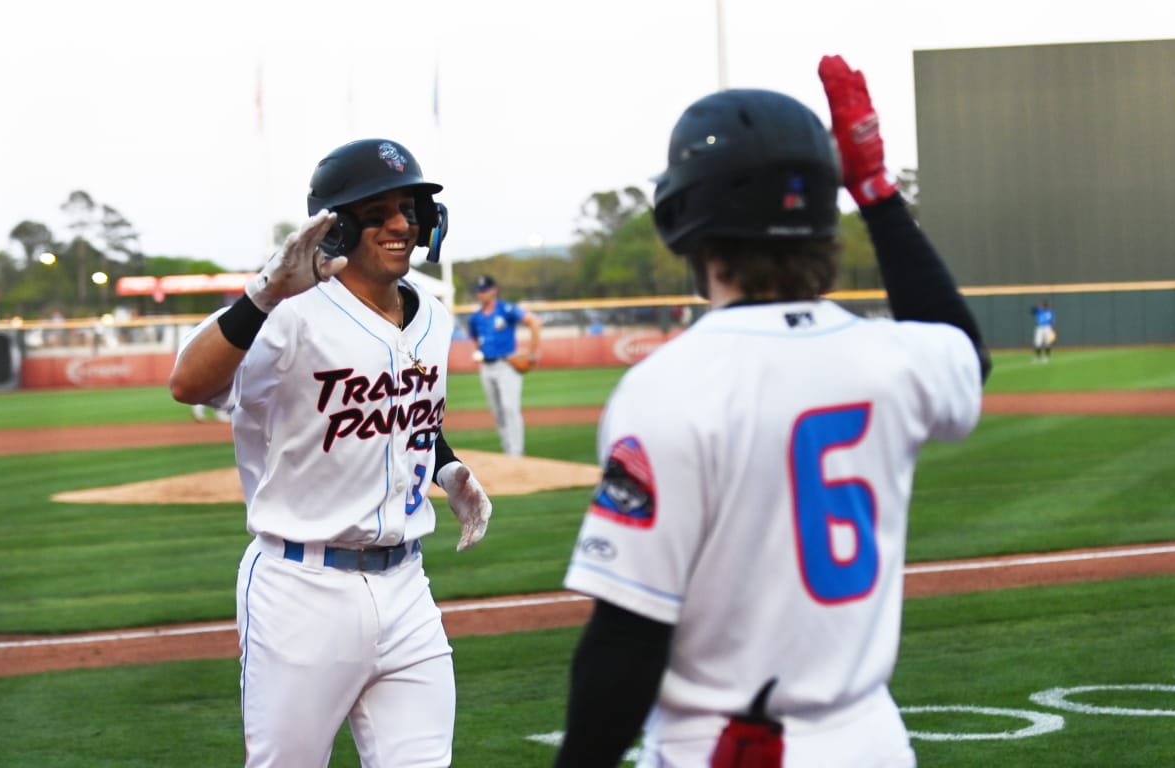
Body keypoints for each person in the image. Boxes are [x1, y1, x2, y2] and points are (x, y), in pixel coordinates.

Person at [553, 56, 990, 768]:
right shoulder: (895, 359)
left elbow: (628, 638)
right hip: (872, 740)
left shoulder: (670, 386)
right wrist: (876, 193)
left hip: (730, 746)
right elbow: (963, 348)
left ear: (688, 218)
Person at [168, 138, 492, 768]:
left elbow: (406, 408)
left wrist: (447, 467)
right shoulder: (287, 312)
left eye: (410, 209)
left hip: (407, 587)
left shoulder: (435, 314)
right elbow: (189, 384)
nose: (402, 224)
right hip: (300, 590)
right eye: (379, 211)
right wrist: (263, 295)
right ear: (337, 226)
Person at [465, 274, 542, 457]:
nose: (481, 294)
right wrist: (480, 351)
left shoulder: (506, 309)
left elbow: (534, 322)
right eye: (479, 291)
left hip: (507, 364)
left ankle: (516, 453)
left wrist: (531, 352)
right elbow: (475, 337)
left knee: (510, 408)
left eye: (484, 290)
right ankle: (508, 450)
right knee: (498, 411)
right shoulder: (475, 317)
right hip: (487, 367)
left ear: (494, 290)